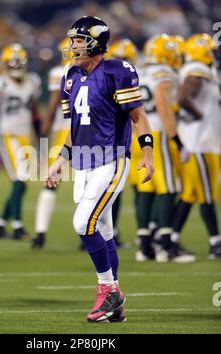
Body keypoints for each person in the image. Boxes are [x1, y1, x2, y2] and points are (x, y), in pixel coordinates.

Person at [45, 16, 154, 323]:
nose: (73, 46)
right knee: (103, 230)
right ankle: (116, 303)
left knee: (83, 224)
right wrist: (61, 159)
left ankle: (107, 290)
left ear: (95, 42)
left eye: (78, 40)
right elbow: (76, 127)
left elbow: (139, 117)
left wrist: (147, 152)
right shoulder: (71, 75)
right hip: (83, 163)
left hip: (111, 159)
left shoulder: (117, 71)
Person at [135, 34, 193, 263]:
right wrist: (177, 140)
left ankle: (145, 245)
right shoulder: (163, 74)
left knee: (147, 188)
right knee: (169, 187)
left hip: (137, 133)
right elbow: (163, 106)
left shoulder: (139, 71)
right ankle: (166, 246)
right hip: (156, 133)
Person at [173, 33, 221, 259]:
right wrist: (198, 114)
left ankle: (169, 238)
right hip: (200, 143)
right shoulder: (197, 69)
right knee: (207, 195)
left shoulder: (200, 70)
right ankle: (215, 244)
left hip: (202, 143)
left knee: (190, 195)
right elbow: (183, 97)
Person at [0, 43, 41, 240]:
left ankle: (0, 224)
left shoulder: (32, 82)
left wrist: (40, 139)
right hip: (7, 135)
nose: (17, 65)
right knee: (20, 179)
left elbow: (34, 114)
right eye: (13, 62)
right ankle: (17, 226)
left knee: (23, 182)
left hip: (25, 135)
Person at [32, 38, 71, 249]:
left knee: (50, 183)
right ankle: (92, 234)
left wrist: (43, 137)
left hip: (61, 133)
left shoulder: (59, 72)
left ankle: (40, 233)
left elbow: (53, 106)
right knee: (89, 186)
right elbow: (55, 102)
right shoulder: (94, 71)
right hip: (83, 133)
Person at [106, 38, 139, 248]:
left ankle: (144, 231)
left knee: (130, 188)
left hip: (124, 139)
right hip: (113, 141)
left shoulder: (106, 75)